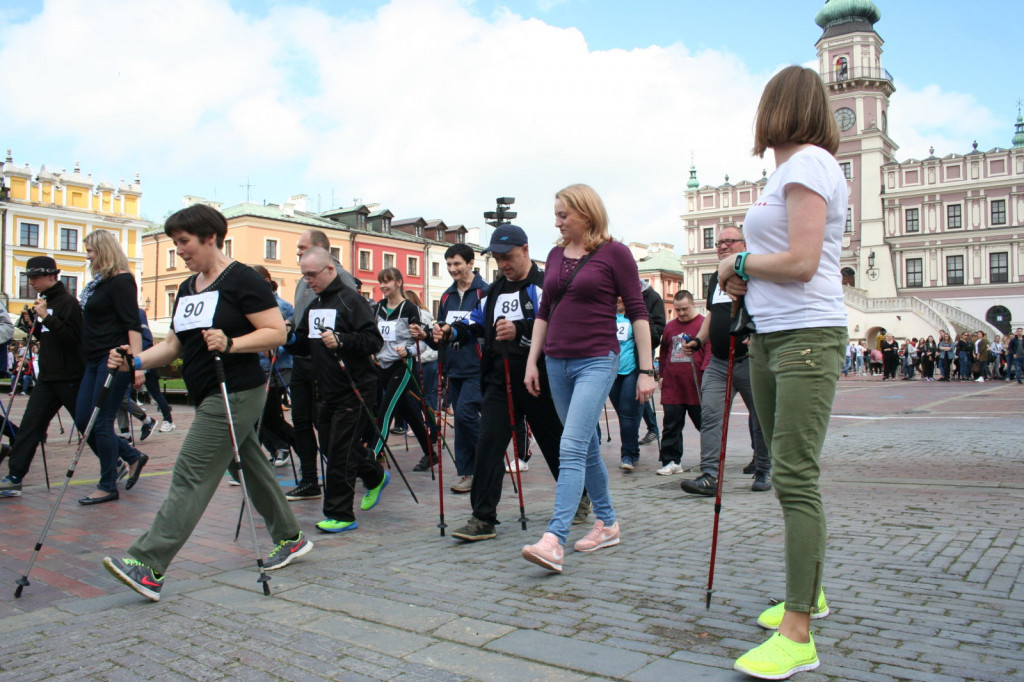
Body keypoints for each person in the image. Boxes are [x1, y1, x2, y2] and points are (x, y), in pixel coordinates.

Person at [102, 203, 312, 602]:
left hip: (236, 391)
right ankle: (291, 537)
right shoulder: (187, 287)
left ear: (209, 237)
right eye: (175, 243)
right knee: (247, 463)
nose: (179, 250)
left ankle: (148, 564)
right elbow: (173, 345)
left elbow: (275, 332)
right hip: (209, 393)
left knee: (191, 472)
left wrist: (232, 343)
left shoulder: (242, 279)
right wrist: (135, 361)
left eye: (183, 242)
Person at [716, 66, 848, 679]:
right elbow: (780, 261)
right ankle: (809, 593)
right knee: (787, 471)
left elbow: (800, 261)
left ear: (777, 108)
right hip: (770, 335)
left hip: (804, 336)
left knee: (794, 476)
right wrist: (740, 272)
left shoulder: (809, 164)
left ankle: (799, 633)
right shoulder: (785, 172)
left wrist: (741, 259)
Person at [522, 183, 655, 573]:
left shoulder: (615, 253)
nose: (557, 221)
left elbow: (638, 312)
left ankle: (554, 539)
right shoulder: (554, 254)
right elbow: (544, 311)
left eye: (564, 214)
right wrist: (533, 361)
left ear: (586, 213)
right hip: (556, 362)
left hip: (597, 359)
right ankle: (608, 523)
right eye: (557, 214)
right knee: (586, 445)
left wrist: (646, 370)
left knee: (572, 443)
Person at [434, 225, 566, 540]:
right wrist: (449, 331)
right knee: (489, 445)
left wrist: (520, 329)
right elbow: (475, 323)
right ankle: (483, 518)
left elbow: (558, 325)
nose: (503, 264)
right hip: (497, 380)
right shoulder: (492, 292)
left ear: (525, 250)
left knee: (553, 443)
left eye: (507, 257)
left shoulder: (545, 285)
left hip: (538, 379)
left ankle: (580, 496)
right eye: (497, 259)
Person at [289, 246, 387, 533]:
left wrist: (342, 340)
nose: (308, 281)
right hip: (326, 389)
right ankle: (374, 476)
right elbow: (304, 344)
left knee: (341, 452)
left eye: (312, 275)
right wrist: (286, 338)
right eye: (305, 276)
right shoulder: (316, 305)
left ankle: (341, 514)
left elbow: (373, 340)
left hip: (355, 388)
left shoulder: (351, 301)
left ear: (330, 269)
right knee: (331, 447)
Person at [679, 227, 772, 493]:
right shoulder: (716, 277)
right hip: (719, 362)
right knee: (710, 416)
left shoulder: (758, 273)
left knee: (761, 416)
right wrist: (698, 340)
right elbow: (712, 314)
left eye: (729, 241)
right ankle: (709, 475)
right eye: (719, 242)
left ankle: (764, 470)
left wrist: (757, 333)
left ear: (745, 243)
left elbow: (768, 309)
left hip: (751, 360)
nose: (722, 246)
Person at [0, 257, 84, 498]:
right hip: (48, 377)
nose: (32, 282)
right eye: (30, 278)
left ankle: (125, 458)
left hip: (69, 376)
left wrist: (46, 317)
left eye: (36, 277)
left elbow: (73, 336)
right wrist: (34, 326)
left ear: (52, 276)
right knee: (30, 427)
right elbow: (50, 337)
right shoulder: (44, 303)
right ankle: (15, 476)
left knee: (87, 426)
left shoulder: (68, 302)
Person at [76, 230, 148, 505]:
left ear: (103, 250)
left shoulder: (121, 281)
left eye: (91, 250)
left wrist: (137, 366)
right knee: (85, 419)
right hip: (94, 359)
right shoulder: (99, 283)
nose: (88, 255)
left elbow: (132, 323)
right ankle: (130, 456)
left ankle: (108, 484)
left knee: (102, 421)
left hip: (114, 359)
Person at [416, 243, 487, 491]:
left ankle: (488, 463)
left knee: (467, 414)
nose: (452, 269)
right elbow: (443, 338)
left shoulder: (484, 292)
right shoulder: (446, 296)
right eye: (448, 264)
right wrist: (428, 335)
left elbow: (486, 330)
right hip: (454, 367)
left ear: (470, 263)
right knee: (461, 421)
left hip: (478, 366)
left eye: (457, 263)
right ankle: (468, 472)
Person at [372, 267, 435, 466]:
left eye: (387, 281)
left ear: (398, 282)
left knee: (386, 409)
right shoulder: (378, 307)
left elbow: (422, 341)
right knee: (407, 411)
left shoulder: (410, 309)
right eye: (381, 282)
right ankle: (430, 453)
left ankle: (372, 455)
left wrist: (409, 351)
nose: (383, 286)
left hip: (402, 366)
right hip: (382, 365)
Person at [655, 290, 706, 476]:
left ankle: (711, 460)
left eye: (684, 309)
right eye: (677, 310)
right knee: (671, 425)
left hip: (696, 385)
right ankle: (671, 461)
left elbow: (709, 351)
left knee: (705, 425)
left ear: (693, 305)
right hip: (673, 385)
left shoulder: (703, 324)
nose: (681, 313)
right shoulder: (670, 327)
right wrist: (661, 374)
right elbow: (664, 352)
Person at [252, 265, 295, 468]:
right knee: (258, 412)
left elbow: (290, 336)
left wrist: (274, 347)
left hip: (280, 366)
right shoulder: (252, 306)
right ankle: (275, 448)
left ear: (267, 282)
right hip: (258, 367)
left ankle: (284, 445)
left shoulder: (283, 307)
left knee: (267, 412)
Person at [608, 296, 645, 471]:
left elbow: (651, 334)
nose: (618, 300)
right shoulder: (606, 317)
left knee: (627, 413)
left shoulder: (635, 316)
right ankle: (634, 449)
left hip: (631, 370)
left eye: (621, 296)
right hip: (611, 371)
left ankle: (627, 455)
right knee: (622, 413)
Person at [638, 279, 666, 445]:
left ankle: (653, 427)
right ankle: (652, 428)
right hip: (624, 346)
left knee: (639, 392)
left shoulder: (652, 297)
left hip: (645, 346)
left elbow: (659, 327)